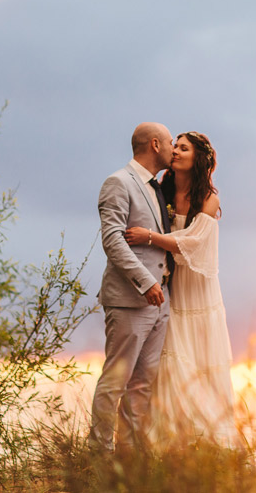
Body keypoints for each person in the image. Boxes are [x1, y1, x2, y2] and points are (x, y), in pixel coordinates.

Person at [123, 131, 239, 448]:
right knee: (171, 364)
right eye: (174, 145)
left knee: (200, 365)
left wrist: (149, 237)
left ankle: (212, 445)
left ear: (198, 158)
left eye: (183, 148)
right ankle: (173, 446)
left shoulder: (209, 199)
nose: (175, 151)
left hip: (199, 293)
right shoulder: (164, 192)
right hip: (172, 291)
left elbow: (194, 244)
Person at [89, 122, 175, 453]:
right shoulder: (118, 183)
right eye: (169, 142)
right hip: (129, 299)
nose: (172, 147)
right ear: (154, 144)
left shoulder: (156, 188)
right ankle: (99, 455)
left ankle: (132, 457)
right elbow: (112, 239)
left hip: (160, 302)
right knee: (115, 381)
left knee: (142, 384)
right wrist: (145, 281)